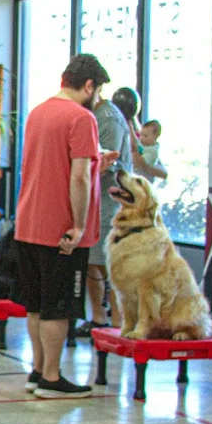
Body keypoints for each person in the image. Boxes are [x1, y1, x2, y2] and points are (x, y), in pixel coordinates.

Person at [14, 54, 117, 398]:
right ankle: (53, 378)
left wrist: (94, 162)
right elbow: (78, 179)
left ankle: (39, 370)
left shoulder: (38, 113)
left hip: (28, 223)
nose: (98, 98)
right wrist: (77, 225)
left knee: (36, 305)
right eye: (98, 91)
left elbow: (51, 165)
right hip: (59, 230)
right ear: (89, 85)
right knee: (59, 306)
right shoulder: (81, 118)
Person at [85, 84, 138, 331]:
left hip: (109, 204)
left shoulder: (109, 119)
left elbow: (107, 161)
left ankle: (119, 323)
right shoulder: (93, 116)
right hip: (93, 202)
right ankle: (98, 318)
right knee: (91, 262)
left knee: (112, 266)